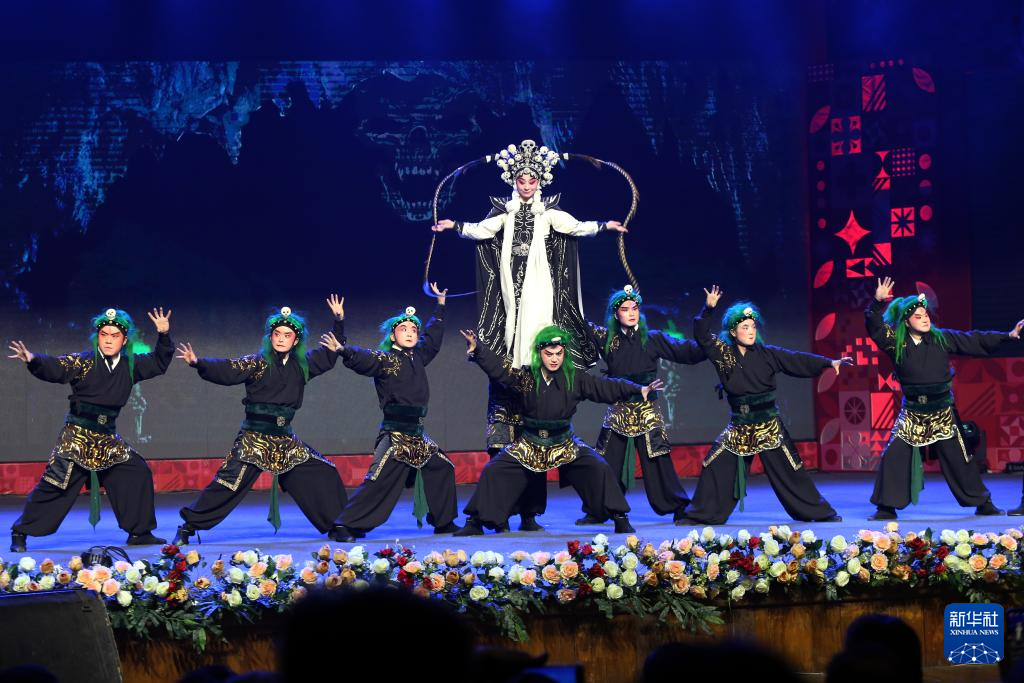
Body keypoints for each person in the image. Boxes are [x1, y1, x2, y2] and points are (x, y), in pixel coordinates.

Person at [432, 139, 627, 529]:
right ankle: (496, 514)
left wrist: (605, 226)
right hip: (510, 294)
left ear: (539, 182)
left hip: (539, 287)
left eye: (532, 180)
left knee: (538, 319)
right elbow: (482, 230)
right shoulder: (504, 212)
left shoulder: (548, 212)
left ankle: (529, 514)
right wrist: (454, 226)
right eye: (521, 180)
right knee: (508, 437)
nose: (526, 186)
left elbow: (574, 226)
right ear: (514, 182)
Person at [173, 296, 348, 543]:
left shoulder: (302, 366)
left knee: (323, 471)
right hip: (254, 439)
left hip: (285, 441)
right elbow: (228, 369)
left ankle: (338, 524)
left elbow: (329, 353)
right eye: (277, 334)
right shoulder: (257, 363)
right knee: (228, 484)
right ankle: (188, 527)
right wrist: (198, 363)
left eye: (287, 335)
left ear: (295, 340)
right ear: (270, 337)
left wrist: (339, 322)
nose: (281, 339)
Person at [456, 325, 661, 535]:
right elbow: (501, 370)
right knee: (494, 470)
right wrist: (478, 349)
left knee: (598, 467)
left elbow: (605, 386)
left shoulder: (575, 378)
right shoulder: (526, 377)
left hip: (564, 443)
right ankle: (474, 522)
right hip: (529, 443)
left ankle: (620, 517)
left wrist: (638, 389)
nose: (554, 359)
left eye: (559, 354)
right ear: (539, 353)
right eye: (549, 354)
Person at [8, 307, 173, 552]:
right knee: (56, 483)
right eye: (104, 334)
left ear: (124, 340)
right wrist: (34, 359)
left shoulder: (131, 366)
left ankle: (140, 532)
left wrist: (163, 335)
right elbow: (57, 367)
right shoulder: (84, 362)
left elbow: (159, 362)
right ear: (98, 337)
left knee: (136, 471)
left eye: (115, 335)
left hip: (107, 440)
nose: (108, 340)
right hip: (77, 436)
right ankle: (21, 531)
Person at [680, 286, 848, 525]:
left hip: (768, 426)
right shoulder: (723, 353)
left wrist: (829, 363)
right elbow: (702, 334)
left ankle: (819, 513)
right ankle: (700, 515)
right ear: (733, 331)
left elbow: (795, 360)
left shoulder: (768, 354)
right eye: (744, 327)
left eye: (753, 326)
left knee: (791, 470)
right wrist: (708, 309)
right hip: (739, 426)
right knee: (715, 464)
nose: (750, 331)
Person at [866, 277, 1019, 520]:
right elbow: (875, 326)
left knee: (960, 457)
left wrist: (1008, 335)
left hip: (942, 411)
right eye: (918, 316)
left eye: (925, 314)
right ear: (906, 321)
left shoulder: (941, 338)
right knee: (894, 455)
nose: (925, 318)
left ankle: (982, 502)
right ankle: (886, 507)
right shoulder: (896, 342)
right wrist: (876, 302)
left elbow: (974, 339)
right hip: (913, 412)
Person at [328, 284, 459, 541]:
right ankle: (344, 525)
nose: (409, 333)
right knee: (378, 479)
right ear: (392, 335)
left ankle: (444, 522)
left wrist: (441, 307)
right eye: (403, 329)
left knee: (442, 467)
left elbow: (432, 339)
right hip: (395, 434)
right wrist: (343, 349)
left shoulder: (418, 357)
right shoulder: (385, 359)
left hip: (417, 435)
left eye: (413, 330)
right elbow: (363, 358)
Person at [577, 285, 704, 524]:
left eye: (634, 308)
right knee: (606, 462)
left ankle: (677, 506)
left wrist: (706, 316)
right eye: (625, 309)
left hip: (647, 412)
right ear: (616, 314)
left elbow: (689, 352)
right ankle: (598, 510)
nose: (631, 313)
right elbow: (578, 324)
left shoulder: (653, 338)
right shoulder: (607, 339)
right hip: (618, 410)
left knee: (658, 460)